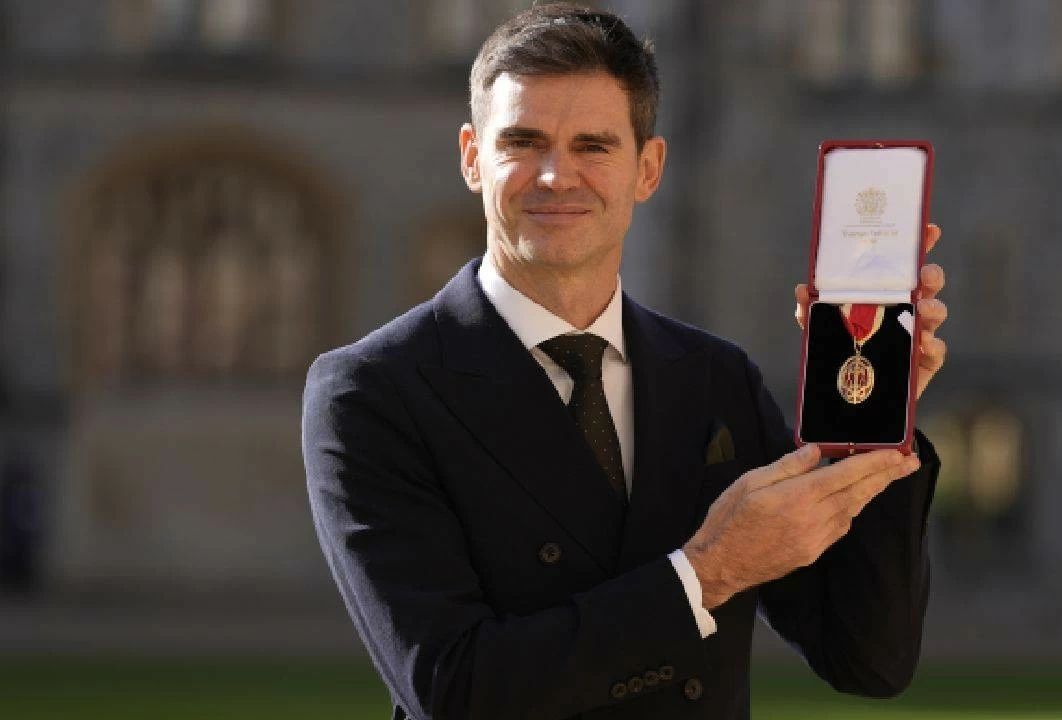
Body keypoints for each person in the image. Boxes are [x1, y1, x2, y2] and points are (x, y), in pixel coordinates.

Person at [302, 4, 950, 719]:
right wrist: (705, 574)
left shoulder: (715, 378)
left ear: (648, 169)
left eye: (593, 146)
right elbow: (455, 690)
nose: (557, 176)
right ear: (472, 158)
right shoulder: (373, 392)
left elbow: (868, 660)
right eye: (523, 142)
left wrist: (876, 410)